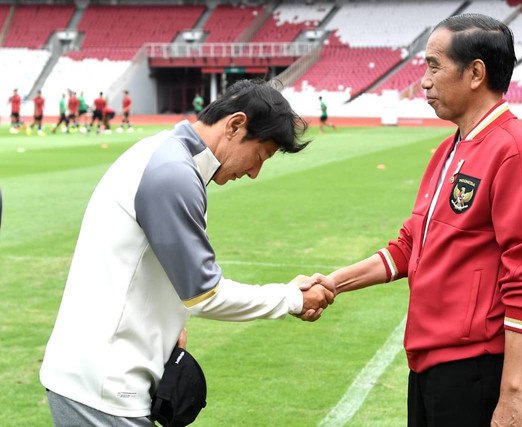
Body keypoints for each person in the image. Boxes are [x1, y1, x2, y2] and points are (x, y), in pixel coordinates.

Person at [40, 79, 334, 425]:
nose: (255, 172)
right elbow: (205, 293)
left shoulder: (166, 153)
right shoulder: (174, 173)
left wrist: (169, 321)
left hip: (96, 377)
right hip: (105, 388)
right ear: (235, 124)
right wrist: (291, 298)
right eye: (260, 155)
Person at [307, 14, 522, 426]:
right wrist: (333, 282)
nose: (423, 80)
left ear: (476, 73)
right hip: (426, 364)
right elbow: (408, 247)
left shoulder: (515, 151)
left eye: (434, 66)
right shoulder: (448, 150)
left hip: (471, 368)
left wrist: (512, 392)